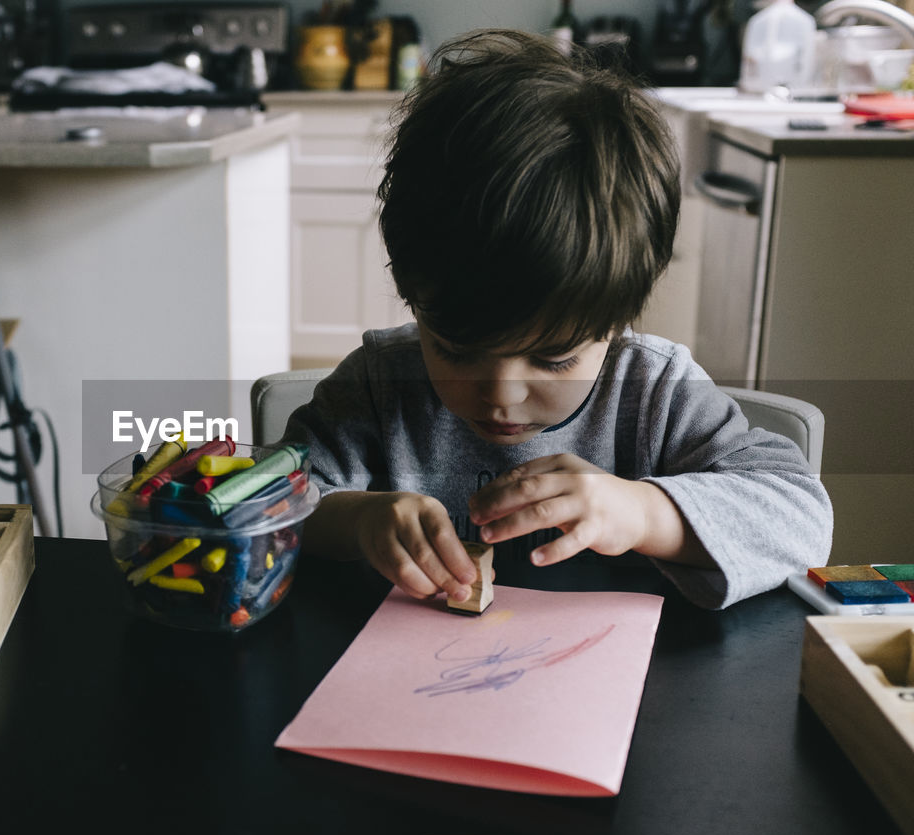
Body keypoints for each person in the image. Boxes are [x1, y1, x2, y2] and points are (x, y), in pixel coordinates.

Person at [281, 29, 832, 610]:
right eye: (457, 349)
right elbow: (263, 499)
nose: (501, 394)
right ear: (413, 298)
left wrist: (641, 511)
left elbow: (801, 518)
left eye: (554, 357)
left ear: (617, 322)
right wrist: (355, 519)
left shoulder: (654, 393)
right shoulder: (378, 384)